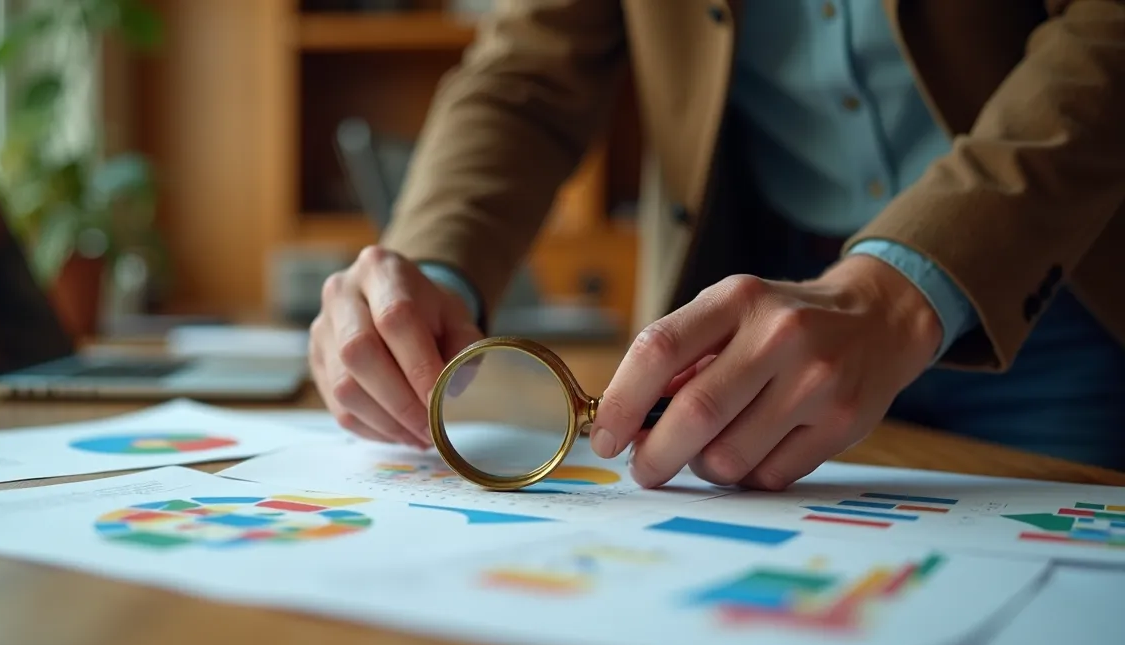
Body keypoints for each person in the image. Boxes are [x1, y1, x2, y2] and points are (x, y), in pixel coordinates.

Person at [307, 0, 1125, 487]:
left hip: (1058, 294)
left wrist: (898, 289)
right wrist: (432, 263)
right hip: (743, 320)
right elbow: (527, 69)